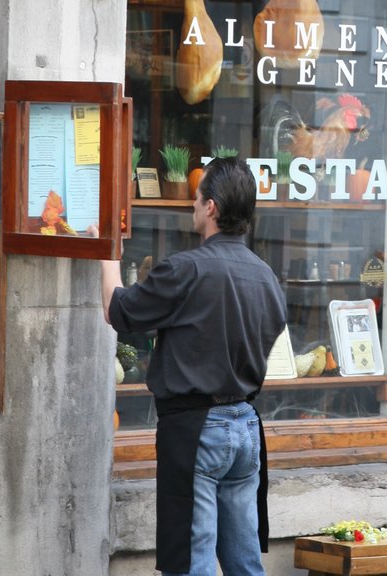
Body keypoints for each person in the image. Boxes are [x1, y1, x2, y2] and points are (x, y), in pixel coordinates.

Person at [90, 157, 287, 575]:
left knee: (192, 562)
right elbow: (270, 336)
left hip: (197, 430)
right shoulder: (266, 277)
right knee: (244, 563)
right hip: (247, 426)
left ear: (211, 207)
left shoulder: (187, 269)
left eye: (197, 199)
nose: (192, 206)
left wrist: (106, 252)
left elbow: (118, 310)